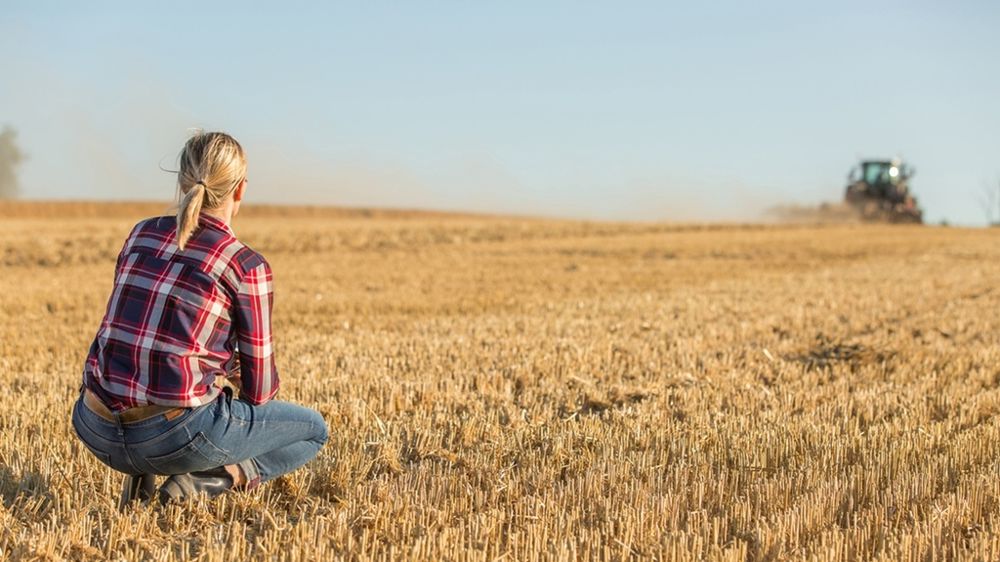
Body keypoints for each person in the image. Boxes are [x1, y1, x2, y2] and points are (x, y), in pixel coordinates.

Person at [70, 131, 328, 506]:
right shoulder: (245, 265)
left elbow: (145, 326)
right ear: (240, 190)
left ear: (181, 181)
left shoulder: (141, 234)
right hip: (172, 438)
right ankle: (209, 480)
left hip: (94, 427)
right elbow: (259, 391)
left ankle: (140, 475)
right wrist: (230, 369)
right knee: (313, 431)